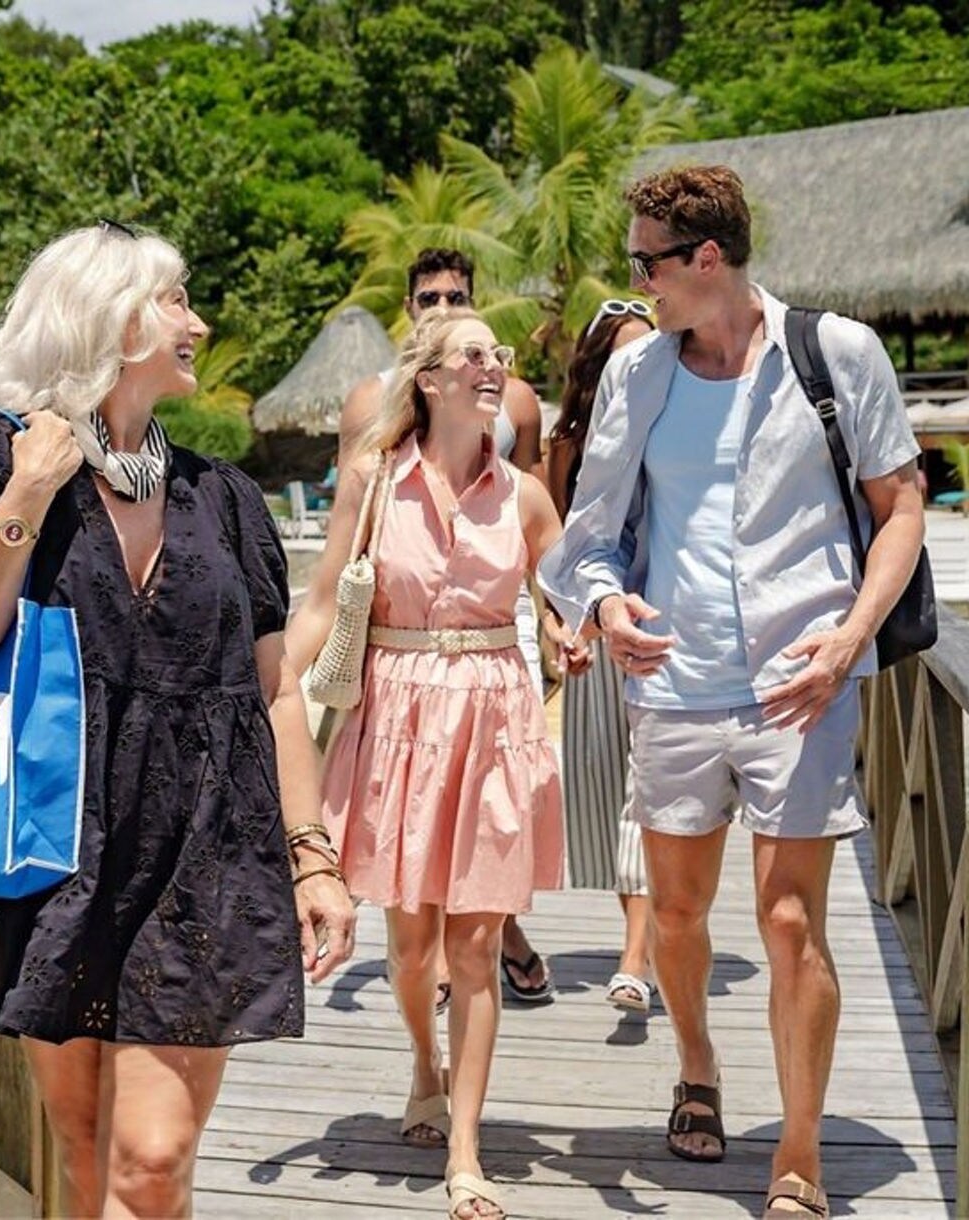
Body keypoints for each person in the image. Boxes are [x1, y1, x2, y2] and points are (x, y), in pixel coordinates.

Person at [0, 221, 355, 1218]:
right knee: (85, 1141)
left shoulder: (221, 498)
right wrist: (29, 490)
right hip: (55, 847)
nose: (198, 321)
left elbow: (273, 692)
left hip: (201, 850)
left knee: (150, 1155)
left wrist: (310, 853)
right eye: (174, 300)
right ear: (105, 317)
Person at [538, 166, 924, 1220]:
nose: (635, 282)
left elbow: (899, 507)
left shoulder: (833, 352)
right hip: (669, 687)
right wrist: (606, 603)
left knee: (790, 919)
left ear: (704, 259)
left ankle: (795, 1150)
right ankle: (695, 1066)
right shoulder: (634, 378)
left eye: (645, 262)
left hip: (799, 685)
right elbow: (592, 532)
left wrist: (849, 638)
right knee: (673, 911)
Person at [288, 307, 586, 1220]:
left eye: (499, 355)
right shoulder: (374, 481)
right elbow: (317, 600)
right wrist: (268, 677)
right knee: (413, 951)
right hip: (398, 724)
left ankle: (466, 1152)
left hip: (497, 724)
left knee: (476, 949)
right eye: (474, 355)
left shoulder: (526, 495)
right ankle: (424, 1059)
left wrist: (567, 629)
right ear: (429, 379)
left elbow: (569, 590)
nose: (494, 366)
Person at [339, 247, 555, 1006]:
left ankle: (488, 935)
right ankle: (444, 963)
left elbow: (528, 503)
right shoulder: (369, 403)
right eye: (428, 296)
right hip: (406, 639)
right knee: (419, 841)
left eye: (455, 295)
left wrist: (558, 618)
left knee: (485, 823)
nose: (440, 304)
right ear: (409, 307)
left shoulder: (516, 399)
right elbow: (355, 530)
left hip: (499, 621)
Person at [545, 299, 656, 1014]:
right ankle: (641, 942)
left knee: (648, 793)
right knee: (605, 789)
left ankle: (638, 956)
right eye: (626, 353)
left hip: (664, 628)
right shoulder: (570, 441)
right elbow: (555, 546)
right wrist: (567, 626)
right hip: (593, 627)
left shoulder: (679, 425)